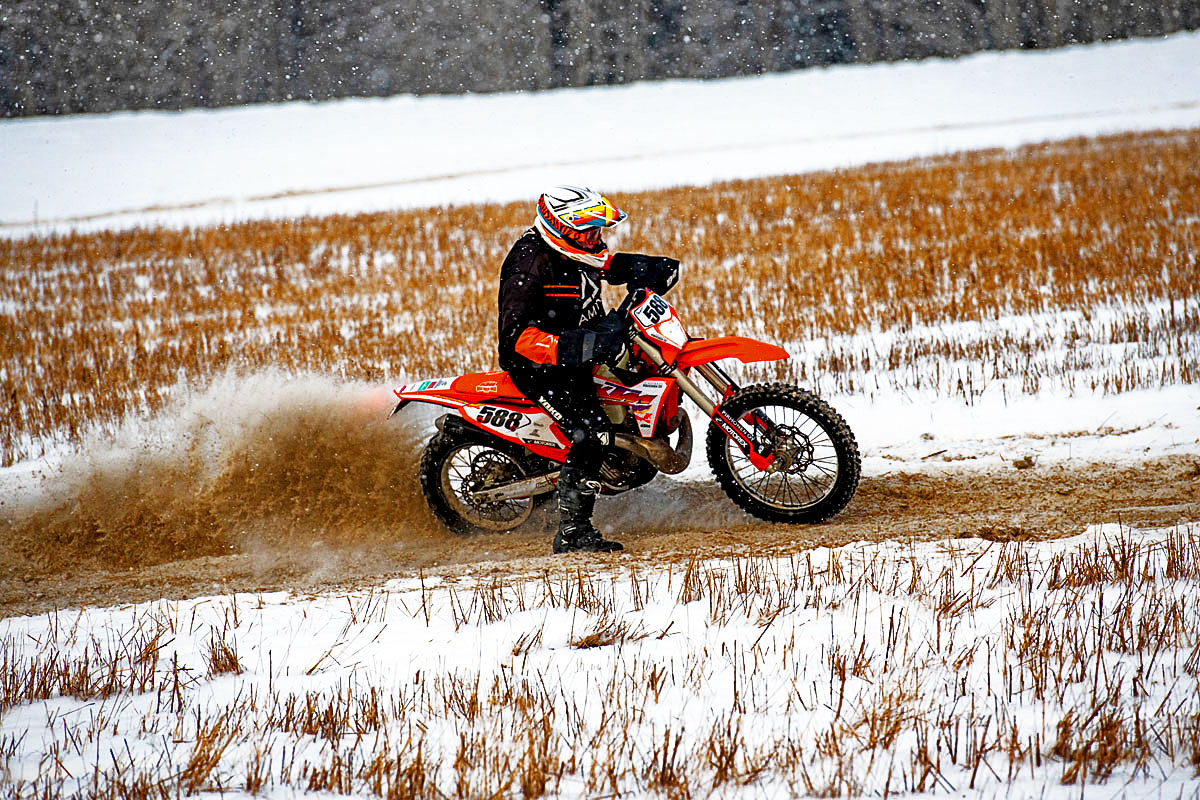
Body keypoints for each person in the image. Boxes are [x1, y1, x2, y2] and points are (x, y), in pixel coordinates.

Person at [497, 185, 678, 553]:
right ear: (561, 228)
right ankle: (572, 533)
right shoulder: (528, 267)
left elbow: (603, 262)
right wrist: (584, 345)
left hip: (584, 347)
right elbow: (518, 340)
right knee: (592, 433)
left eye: (598, 231)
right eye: (589, 232)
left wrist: (643, 266)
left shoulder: (576, 249)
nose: (596, 239)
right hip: (543, 369)